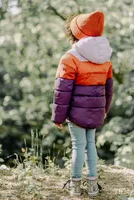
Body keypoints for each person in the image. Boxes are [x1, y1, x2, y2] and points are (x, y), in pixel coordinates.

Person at [51, 10, 113, 197]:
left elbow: (62, 91)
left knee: (78, 145)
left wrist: (58, 116)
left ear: (76, 33)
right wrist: (104, 110)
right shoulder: (105, 58)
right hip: (96, 111)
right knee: (90, 144)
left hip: (75, 113)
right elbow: (109, 89)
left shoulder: (69, 58)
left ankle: (75, 185)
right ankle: (93, 185)